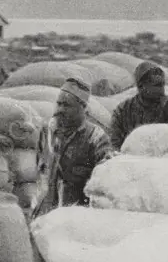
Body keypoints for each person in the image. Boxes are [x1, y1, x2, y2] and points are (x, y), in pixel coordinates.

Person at [31, 77, 113, 220]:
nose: (60, 109)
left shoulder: (96, 138)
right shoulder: (48, 131)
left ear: (82, 107)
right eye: (59, 104)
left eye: (67, 105)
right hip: (45, 215)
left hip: (76, 220)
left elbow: (103, 183)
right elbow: (40, 171)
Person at [108, 61, 168, 151]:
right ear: (141, 87)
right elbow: (114, 141)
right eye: (157, 85)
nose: (162, 89)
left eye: (163, 85)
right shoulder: (124, 109)